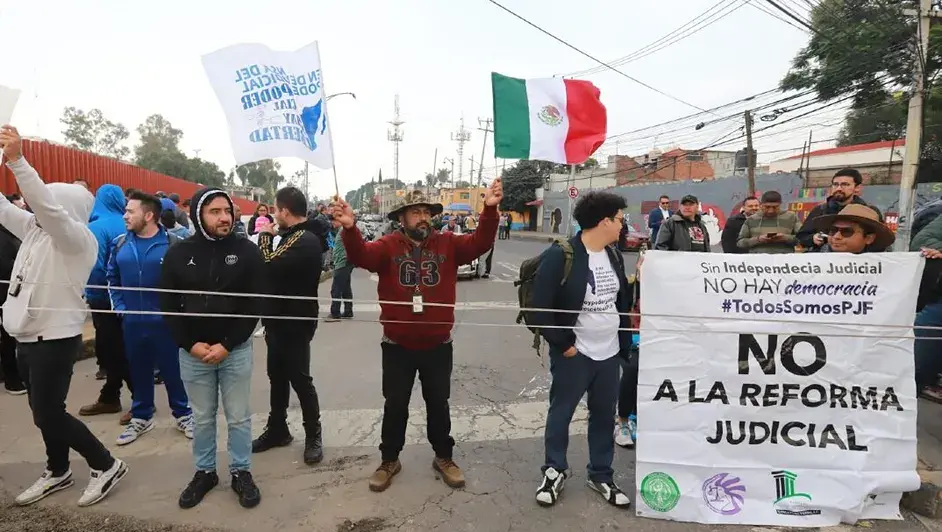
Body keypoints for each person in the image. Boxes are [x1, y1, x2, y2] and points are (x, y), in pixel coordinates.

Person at [334, 181, 501, 493]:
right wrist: (350, 229)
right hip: (397, 345)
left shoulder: (449, 244)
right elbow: (362, 256)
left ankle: (444, 457)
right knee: (395, 404)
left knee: (439, 403)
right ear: (402, 218)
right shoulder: (387, 245)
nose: (423, 217)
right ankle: (389, 460)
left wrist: (489, 209)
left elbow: (480, 242)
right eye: (415, 212)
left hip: (438, 345)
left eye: (427, 211)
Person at [0, 125, 128, 507]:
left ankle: (105, 464)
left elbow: (48, 210)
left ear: (63, 208)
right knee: (43, 412)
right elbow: (6, 209)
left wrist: (19, 161)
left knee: (48, 414)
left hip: (53, 340)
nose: (30, 209)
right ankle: (58, 470)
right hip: (26, 336)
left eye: (42, 204)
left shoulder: (76, 240)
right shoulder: (35, 231)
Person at [160, 187, 265, 509]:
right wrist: (189, 344)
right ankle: (205, 472)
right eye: (215, 211)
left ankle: (241, 471)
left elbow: (254, 304)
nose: (224, 218)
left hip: (235, 351)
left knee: (237, 417)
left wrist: (228, 344)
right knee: (203, 418)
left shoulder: (247, 252)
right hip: (194, 354)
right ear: (198, 216)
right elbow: (168, 304)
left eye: (227, 211)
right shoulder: (178, 253)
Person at [529, 191, 633, 508]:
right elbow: (538, 308)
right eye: (620, 219)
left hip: (609, 352)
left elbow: (619, 300)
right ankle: (554, 471)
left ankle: (600, 474)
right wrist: (566, 346)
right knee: (561, 413)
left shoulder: (613, 255)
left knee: (603, 416)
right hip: (576, 354)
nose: (622, 225)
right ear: (604, 221)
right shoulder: (562, 255)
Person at [109, 192, 193, 446]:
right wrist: (121, 307)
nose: (125, 215)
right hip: (133, 323)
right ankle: (141, 416)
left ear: (148, 215)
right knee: (138, 370)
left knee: (173, 370)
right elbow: (112, 279)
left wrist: (179, 314)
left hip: (167, 325)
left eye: (130, 211)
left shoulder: (174, 243)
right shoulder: (121, 243)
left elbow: (187, 285)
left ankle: (183, 414)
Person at [251, 186, 325, 466]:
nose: (273, 216)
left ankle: (313, 436)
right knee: (277, 377)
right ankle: (278, 429)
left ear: (284, 211)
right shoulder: (292, 236)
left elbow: (267, 264)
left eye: (275, 209)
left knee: (300, 380)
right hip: (276, 321)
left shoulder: (305, 239)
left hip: (295, 322)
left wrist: (264, 238)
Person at [79, 185, 135, 420]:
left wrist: (90, 293)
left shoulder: (95, 227)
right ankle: (110, 395)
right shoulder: (128, 222)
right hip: (130, 297)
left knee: (114, 348)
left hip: (104, 298)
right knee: (121, 346)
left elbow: (95, 268)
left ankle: (139, 398)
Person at [797, 168, 884, 251]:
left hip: (859, 263)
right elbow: (801, 237)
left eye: (845, 184)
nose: (839, 188)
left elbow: (881, 241)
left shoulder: (870, 212)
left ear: (857, 188)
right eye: (835, 184)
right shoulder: (820, 210)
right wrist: (813, 239)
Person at [811, 203, 894, 254]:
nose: (836, 236)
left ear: (869, 238)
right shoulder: (808, 264)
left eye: (847, 231)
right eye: (833, 230)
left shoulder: (885, 271)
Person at [736, 191, 801, 254]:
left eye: (775, 207)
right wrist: (758, 240)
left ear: (780, 204)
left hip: (784, 260)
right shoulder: (751, 219)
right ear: (761, 205)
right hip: (757, 261)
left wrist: (785, 238)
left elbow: (802, 238)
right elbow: (740, 243)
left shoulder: (791, 217)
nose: (771, 211)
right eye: (767, 207)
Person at [0, 221, 22, 394]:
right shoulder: (6, 235)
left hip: (10, 293)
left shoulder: (9, 232)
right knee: (8, 336)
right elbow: (7, 266)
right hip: (6, 294)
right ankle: (12, 380)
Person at [326, 223, 354, 321]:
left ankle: (335, 312)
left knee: (336, 289)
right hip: (343, 261)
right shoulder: (342, 230)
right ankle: (348, 311)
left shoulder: (345, 230)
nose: (333, 223)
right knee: (346, 288)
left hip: (343, 262)